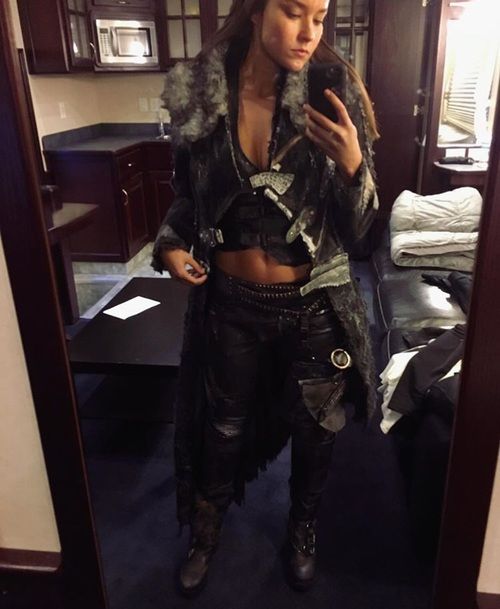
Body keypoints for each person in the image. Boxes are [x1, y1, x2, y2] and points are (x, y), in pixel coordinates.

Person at [152, 0, 381, 596]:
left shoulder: (333, 95)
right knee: (220, 428)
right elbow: (186, 196)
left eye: (320, 17)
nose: (309, 32)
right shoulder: (202, 95)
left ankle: (302, 529)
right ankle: (206, 532)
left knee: (316, 431)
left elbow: (360, 234)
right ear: (255, 11)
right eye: (293, 12)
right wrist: (171, 243)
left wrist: (354, 167)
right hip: (231, 304)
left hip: (314, 308)